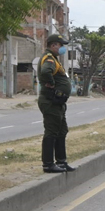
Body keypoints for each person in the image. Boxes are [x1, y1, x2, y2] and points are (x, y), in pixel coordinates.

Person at [37, 34, 76, 173]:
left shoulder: (54, 59)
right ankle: (48, 164)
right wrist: (52, 85)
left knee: (62, 131)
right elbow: (46, 71)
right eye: (61, 45)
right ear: (53, 45)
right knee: (52, 132)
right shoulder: (49, 58)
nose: (62, 48)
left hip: (57, 103)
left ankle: (61, 161)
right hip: (50, 101)